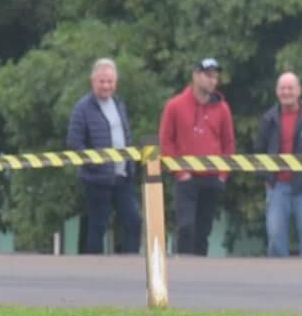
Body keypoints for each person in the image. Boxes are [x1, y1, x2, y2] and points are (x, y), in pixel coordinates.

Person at [158, 57, 234, 257]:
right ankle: (182, 266)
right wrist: (180, 172)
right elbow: (166, 141)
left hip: (211, 177)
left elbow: (228, 143)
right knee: (186, 227)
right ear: (195, 76)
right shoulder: (175, 105)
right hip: (186, 177)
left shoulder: (222, 107)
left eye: (215, 77)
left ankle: (201, 270)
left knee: (203, 230)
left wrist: (222, 175)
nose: (212, 81)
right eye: (208, 76)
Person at [64, 58, 140, 255]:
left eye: (110, 81)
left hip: (122, 176)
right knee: (98, 226)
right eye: (102, 81)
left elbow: (126, 136)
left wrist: (131, 165)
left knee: (133, 220)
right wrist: (93, 164)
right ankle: (93, 266)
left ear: (116, 82)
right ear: (93, 81)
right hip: (97, 179)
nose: (106, 86)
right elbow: (74, 141)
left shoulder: (118, 104)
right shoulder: (82, 107)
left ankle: (129, 261)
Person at [253, 72, 302, 257]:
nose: (286, 92)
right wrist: (267, 178)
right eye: (282, 88)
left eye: (290, 88)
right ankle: (277, 281)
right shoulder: (268, 118)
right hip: (277, 186)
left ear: (299, 90)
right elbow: (258, 151)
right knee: (275, 238)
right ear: (276, 91)